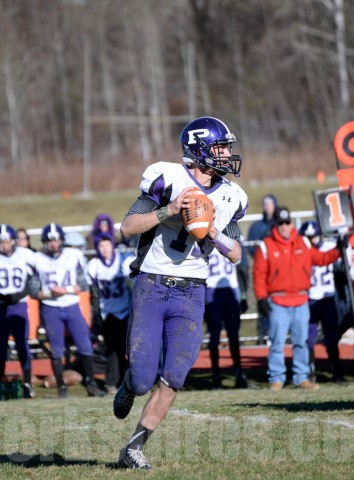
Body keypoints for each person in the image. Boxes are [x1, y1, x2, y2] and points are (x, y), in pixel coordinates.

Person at [114, 116, 248, 469]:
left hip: (192, 293)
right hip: (153, 284)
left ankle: (133, 449)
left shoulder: (231, 195)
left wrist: (213, 232)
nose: (227, 154)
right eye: (221, 147)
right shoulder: (168, 178)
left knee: (174, 377)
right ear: (200, 149)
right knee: (143, 379)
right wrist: (169, 210)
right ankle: (129, 384)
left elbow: (236, 253)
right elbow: (127, 226)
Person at [253, 206, 340, 391]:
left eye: (287, 222)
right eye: (281, 223)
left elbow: (321, 259)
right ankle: (276, 378)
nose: (285, 227)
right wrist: (261, 298)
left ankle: (301, 377)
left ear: (292, 223)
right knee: (277, 343)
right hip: (278, 302)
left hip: (301, 300)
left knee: (301, 342)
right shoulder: (266, 245)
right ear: (276, 225)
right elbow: (259, 274)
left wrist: (338, 249)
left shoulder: (303, 242)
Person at [30, 222, 106, 399]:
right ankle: (61, 387)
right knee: (56, 349)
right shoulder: (38, 259)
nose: (53, 244)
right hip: (51, 308)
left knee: (85, 345)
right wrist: (50, 293)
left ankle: (91, 384)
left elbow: (83, 285)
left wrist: (65, 290)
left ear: (62, 241)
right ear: (44, 242)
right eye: (50, 241)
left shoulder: (73, 256)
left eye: (56, 240)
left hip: (72, 306)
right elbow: (33, 291)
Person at [0, 224, 35, 398]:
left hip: (19, 305)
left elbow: (32, 279)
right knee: (0, 346)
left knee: (22, 344)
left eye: (7, 241)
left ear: (14, 241)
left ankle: (27, 383)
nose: (5, 245)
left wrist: (19, 295)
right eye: (2, 242)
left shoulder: (24, 255)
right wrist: (0, 295)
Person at [85, 232, 134, 393]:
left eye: (107, 244)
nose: (105, 249)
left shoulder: (123, 261)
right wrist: (96, 315)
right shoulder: (94, 265)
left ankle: (130, 379)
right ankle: (112, 381)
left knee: (129, 347)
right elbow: (93, 293)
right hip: (107, 313)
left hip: (125, 310)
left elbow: (132, 284)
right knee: (111, 348)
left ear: (113, 245)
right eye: (101, 245)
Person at [299, 220, 344, 383]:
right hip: (309, 299)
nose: (312, 240)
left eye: (314, 236)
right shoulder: (302, 251)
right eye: (308, 237)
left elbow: (337, 263)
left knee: (332, 337)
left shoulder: (327, 247)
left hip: (327, 298)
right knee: (309, 338)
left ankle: (336, 371)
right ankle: (310, 371)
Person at [204, 247, 248, 389]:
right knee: (216, 337)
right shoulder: (207, 240)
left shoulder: (228, 239)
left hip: (227, 290)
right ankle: (218, 377)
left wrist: (243, 295)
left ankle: (236, 375)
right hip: (214, 291)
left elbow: (242, 268)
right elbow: (243, 269)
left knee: (232, 336)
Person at [247, 194, 278, 345]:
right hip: (263, 271)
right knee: (263, 303)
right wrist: (262, 257)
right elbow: (250, 247)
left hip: (278, 271)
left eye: (270, 203)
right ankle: (263, 334)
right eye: (265, 203)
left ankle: (283, 334)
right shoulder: (256, 227)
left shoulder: (279, 224)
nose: (267, 206)